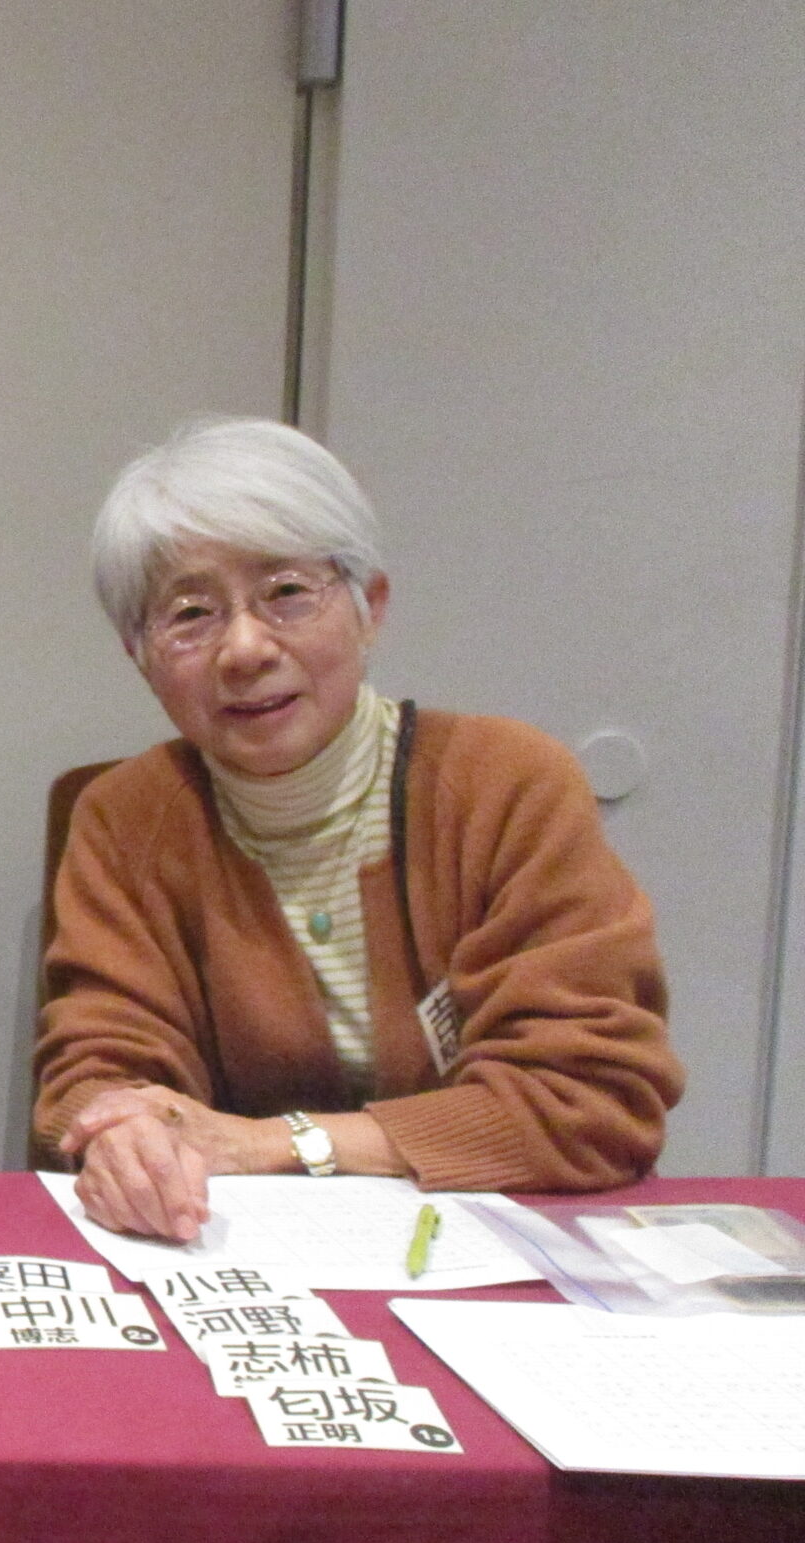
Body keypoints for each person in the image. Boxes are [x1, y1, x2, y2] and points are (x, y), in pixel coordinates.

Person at [36, 417, 679, 1240]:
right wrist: (125, 1132)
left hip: (499, 1246)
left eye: (287, 594)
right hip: (230, 1248)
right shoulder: (127, 819)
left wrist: (275, 1144)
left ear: (370, 606)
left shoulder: (508, 785)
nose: (244, 648)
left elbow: (590, 1101)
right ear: (140, 656)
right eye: (191, 613)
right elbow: (98, 1068)